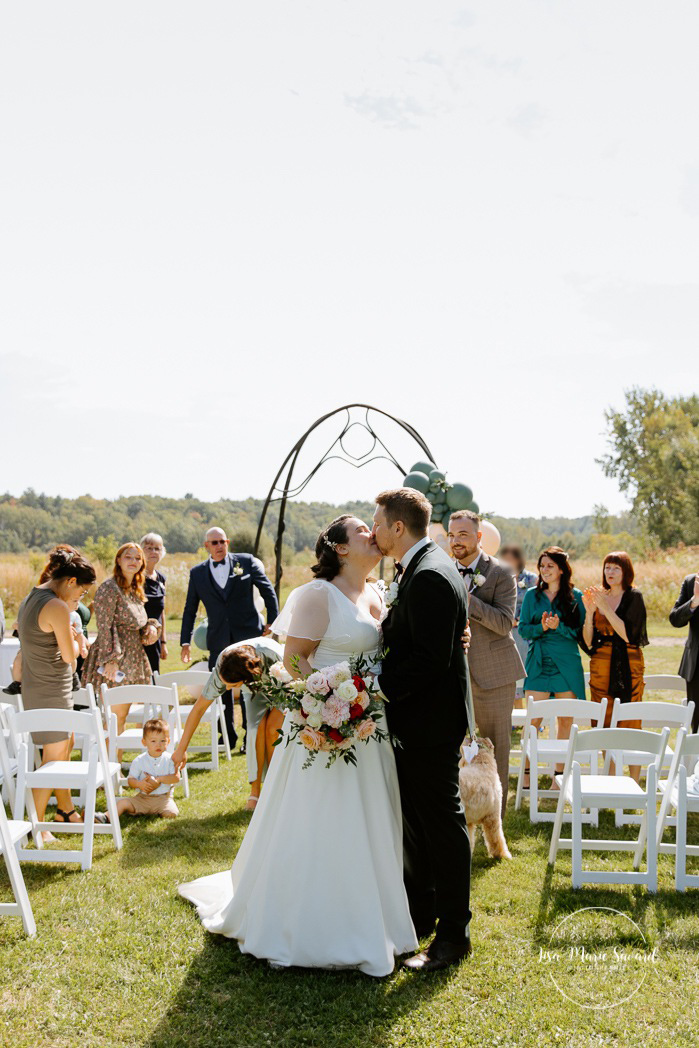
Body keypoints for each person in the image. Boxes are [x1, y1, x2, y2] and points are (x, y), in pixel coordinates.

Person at [179, 514, 418, 977]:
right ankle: (306, 924)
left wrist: (361, 704)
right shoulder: (316, 595)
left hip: (369, 727)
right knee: (320, 818)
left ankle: (373, 919)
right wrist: (331, 702)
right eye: (364, 531)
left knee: (368, 817)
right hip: (323, 727)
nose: (375, 533)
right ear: (341, 549)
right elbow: (294, 659)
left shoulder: (376, 590)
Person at [372, 489, 473, 973]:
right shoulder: (422, 564)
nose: (373, 530)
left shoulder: (430, 573)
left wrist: (375, 687)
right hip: (421, 717)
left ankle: (454, 936)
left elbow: (431, 660)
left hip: (429, 720)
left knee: (442, 824)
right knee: (420, 823)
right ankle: (422, 913)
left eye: (377, 522)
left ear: (397, 527)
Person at [16, 547, 97, 839]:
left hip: (41, 687)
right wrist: (77, 638)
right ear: (72, 580)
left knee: (64, 747)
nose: (82, 598)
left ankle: (65, 809)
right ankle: (34, 829)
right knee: (53, 760)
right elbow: (68, 657)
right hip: (51, 688)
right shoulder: (57, 607)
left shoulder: (32, 596)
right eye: (83, 591)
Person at [448, 511, 524, 816]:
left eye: (463, 535)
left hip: (495, 675)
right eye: (452, 535)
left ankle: (496, 819)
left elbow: (505, 623)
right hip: (454, 675)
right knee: (453, 747)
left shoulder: (501, 573)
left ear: (479, 537)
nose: (456, 541)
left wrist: (469, 600)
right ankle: (458, 812)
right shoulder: (441, 570)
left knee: (496, 750)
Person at [179, 527, 279, 752]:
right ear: (206, 546)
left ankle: (249, 737)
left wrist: (272, 620)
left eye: (222, 541)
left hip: (248, 638)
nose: (219, 546)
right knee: (220, 688)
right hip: (218, 639)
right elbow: (189, 609)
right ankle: (226, 736)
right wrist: (185, 642)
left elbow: (267, 590)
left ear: (227, 542)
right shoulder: (197, 573)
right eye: (213, 542)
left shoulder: (246, 562)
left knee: (251, 689)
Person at [172, 636, 285, 810]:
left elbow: (292, 680)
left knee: (272, 729)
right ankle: (255, 792)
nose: (229, 689)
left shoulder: (271, 655)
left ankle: (274, 788)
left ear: (245, 677)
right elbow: (199, 709)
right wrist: (181, 748)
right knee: (255, 728)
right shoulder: (222, 667)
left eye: (233, 685)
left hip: (282, 683)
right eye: (227, 685)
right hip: (252, 688)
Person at [81, 544, 161, 750]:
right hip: (116, 659)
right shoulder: (109, 588)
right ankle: (108, 773)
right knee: (115, 718)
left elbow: (136, 624)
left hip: (134, 657)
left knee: (121, 716)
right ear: (118, 560)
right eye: (128, 557)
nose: (133, 561)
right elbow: (104, 626)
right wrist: (111, 660)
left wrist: (152, 627)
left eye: (137, 558)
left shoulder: (134, 589)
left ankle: (112, 771)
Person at [518, 547, 586, 787]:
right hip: (538, 661)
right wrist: (543, 628)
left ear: (561, 569)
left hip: (566, 662)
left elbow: (581, 634)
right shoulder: (531, 596)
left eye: (549, 566)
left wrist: (559, 628)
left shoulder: (575, 596)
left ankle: (559, 775)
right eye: (542, 566)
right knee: (533, 720)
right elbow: (524, 628)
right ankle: (526, 773)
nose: (544, 570)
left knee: (565, 720)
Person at [104, 718, 180, 820]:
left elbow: (176, 778)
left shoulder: (169, 759)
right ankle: (106, 817)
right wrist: (139, 784)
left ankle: (152, 811)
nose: (158, 744)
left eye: (163, 740)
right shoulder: (139, 760)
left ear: (168, 741)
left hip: (163, 799)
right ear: (144, 742)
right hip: (142, 798)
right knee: (123, 803)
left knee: (172, 813)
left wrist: (159, 779)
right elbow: (130, 780)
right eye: (153, 741)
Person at [499, 544, 537, 703]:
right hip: (505, 632)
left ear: (518, 560)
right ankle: (515, 714)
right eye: (504, 559)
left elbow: (536, 602)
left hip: (524, 634)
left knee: (527, 672)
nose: (507, 562)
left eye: (511, 559)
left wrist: (520, 619)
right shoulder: (499, 578)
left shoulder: (530, 579)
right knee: (510, 672)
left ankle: (534, 716)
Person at [669, 568, 699, 732]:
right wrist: (694, 601)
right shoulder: (691, 582)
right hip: (696, 666)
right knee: (696, 726)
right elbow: (675, 619)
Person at [140, 532, 168, 674]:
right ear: (141, 550)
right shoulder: (135, 578)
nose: (153, 552)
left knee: (154, 676)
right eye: (149, 548)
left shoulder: (161, 578)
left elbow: (161, 612)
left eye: (157, 548)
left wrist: (163, 642)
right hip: (137, 638)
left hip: (155, 638)